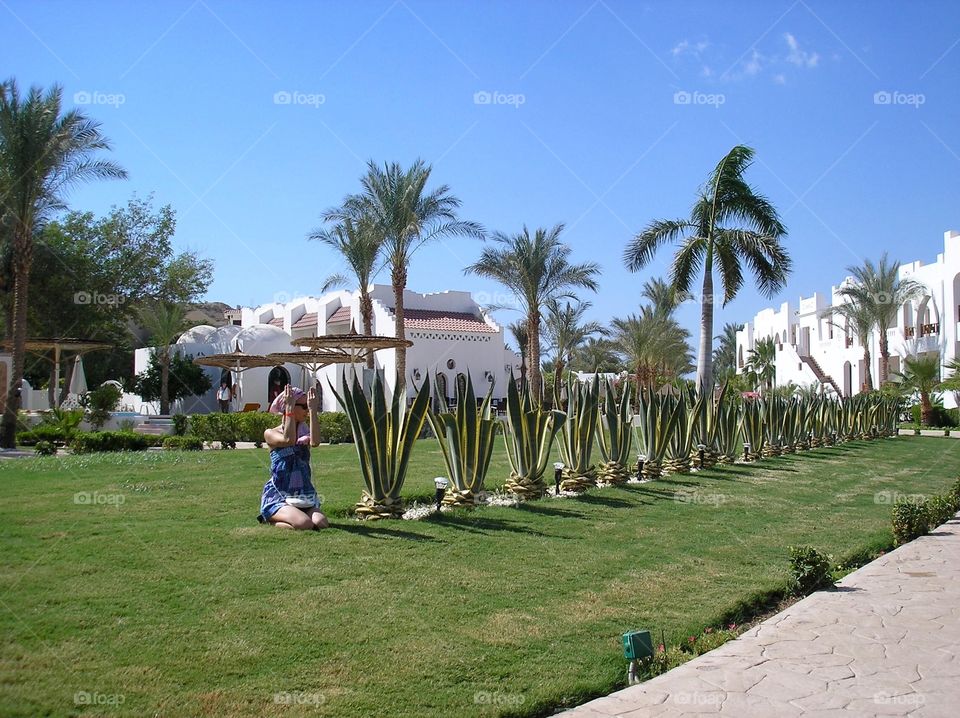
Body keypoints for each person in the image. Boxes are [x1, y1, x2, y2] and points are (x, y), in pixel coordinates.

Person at [256, 385, 329, 530]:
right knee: (305, 524)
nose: (306, 410)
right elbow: (288, 440)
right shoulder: (270, 433)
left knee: (321, 523)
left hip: (304, 494)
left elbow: (315, 442)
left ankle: (296, 517)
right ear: (289, 406)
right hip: (279, 495)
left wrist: (313, 410)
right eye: (303, 406)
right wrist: (289, 409)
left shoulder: (304, 433)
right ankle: (269, 518)